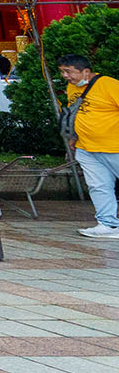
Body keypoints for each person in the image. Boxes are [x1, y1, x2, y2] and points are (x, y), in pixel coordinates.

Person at [59, 54, 119, 238]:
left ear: (85, 71)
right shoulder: (72, 87)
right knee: (98, 185)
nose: (65, 76)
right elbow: (76, 113)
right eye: (62, 72)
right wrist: (73, 138)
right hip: (86, 148)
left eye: (69, 71)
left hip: (114, 147)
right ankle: (107, 224)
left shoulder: (109, 85)